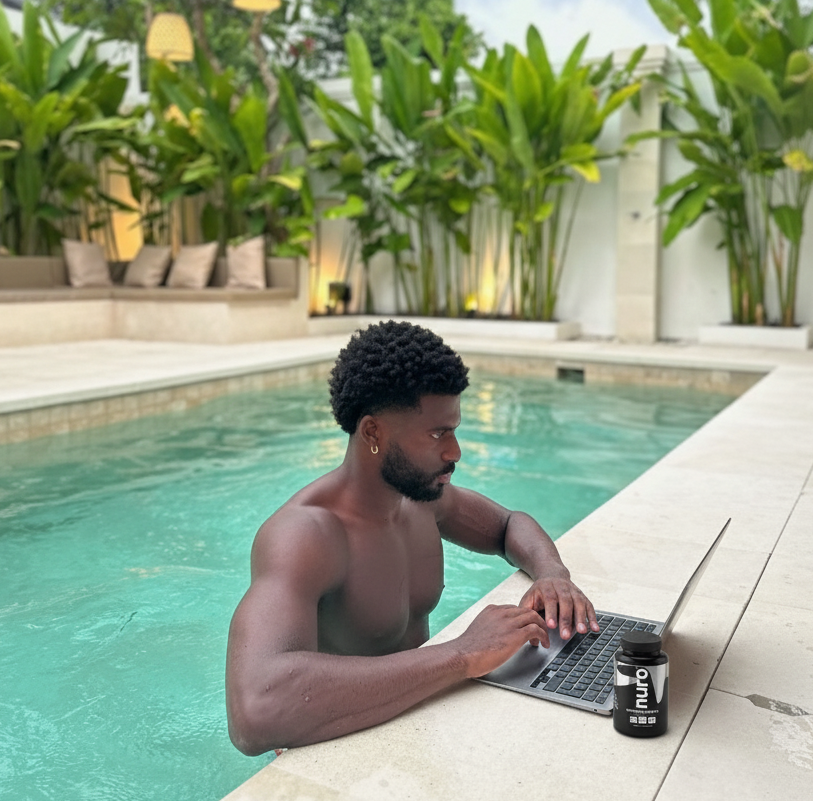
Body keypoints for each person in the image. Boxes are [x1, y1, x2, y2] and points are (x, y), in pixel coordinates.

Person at [225, 320, 599, 754]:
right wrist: (462, 655)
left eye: (454, 430)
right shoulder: (306, 536)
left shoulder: (421, 498)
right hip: (341, 751)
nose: (454, 452)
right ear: (373, 433)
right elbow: (255, 712)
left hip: (419, 725)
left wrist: (551, 574)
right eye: (438, 433)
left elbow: (508, 525)